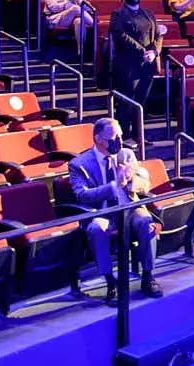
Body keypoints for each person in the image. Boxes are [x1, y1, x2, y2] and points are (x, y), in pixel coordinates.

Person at [68, 119, 161, 302]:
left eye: (120, 135)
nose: (119, 140)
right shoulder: (79, 164)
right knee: (96, 229)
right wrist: (114, 186)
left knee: (145, 221)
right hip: (103, 212)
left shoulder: (126, 154)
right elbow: (82, 195)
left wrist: (133, 184)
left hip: (129, 207)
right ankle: (111, 283)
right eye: (114, 136)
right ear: (99, 139)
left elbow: (145, 182)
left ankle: (148, 277)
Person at [109, 0, 160, 142]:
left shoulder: (148, 14)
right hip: (127, 64)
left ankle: (139, 136)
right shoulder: (118, 14)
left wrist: (154, 51)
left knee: (141, 100)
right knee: (126, 101)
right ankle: (123, 136)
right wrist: (142, 51)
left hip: (147, 64)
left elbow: (158, 36)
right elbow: (120, 35)